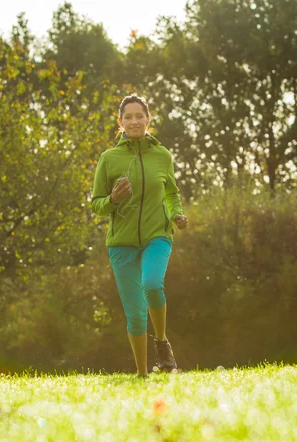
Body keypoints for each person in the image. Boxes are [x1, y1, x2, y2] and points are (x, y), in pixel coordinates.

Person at [91, 94, 188, 378]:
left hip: (157, 235)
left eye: (139, 116)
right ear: (120, 123)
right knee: (135, 315)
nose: (134, 121)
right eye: (128, 117)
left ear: (148, 120)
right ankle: (142, 374)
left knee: (152, 284)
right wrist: (112, 199)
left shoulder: (162, 156)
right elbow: (96, 204)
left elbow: (171, 192)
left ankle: (162, 342)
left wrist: (176, 215)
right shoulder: (109, 159)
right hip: (121, 244)